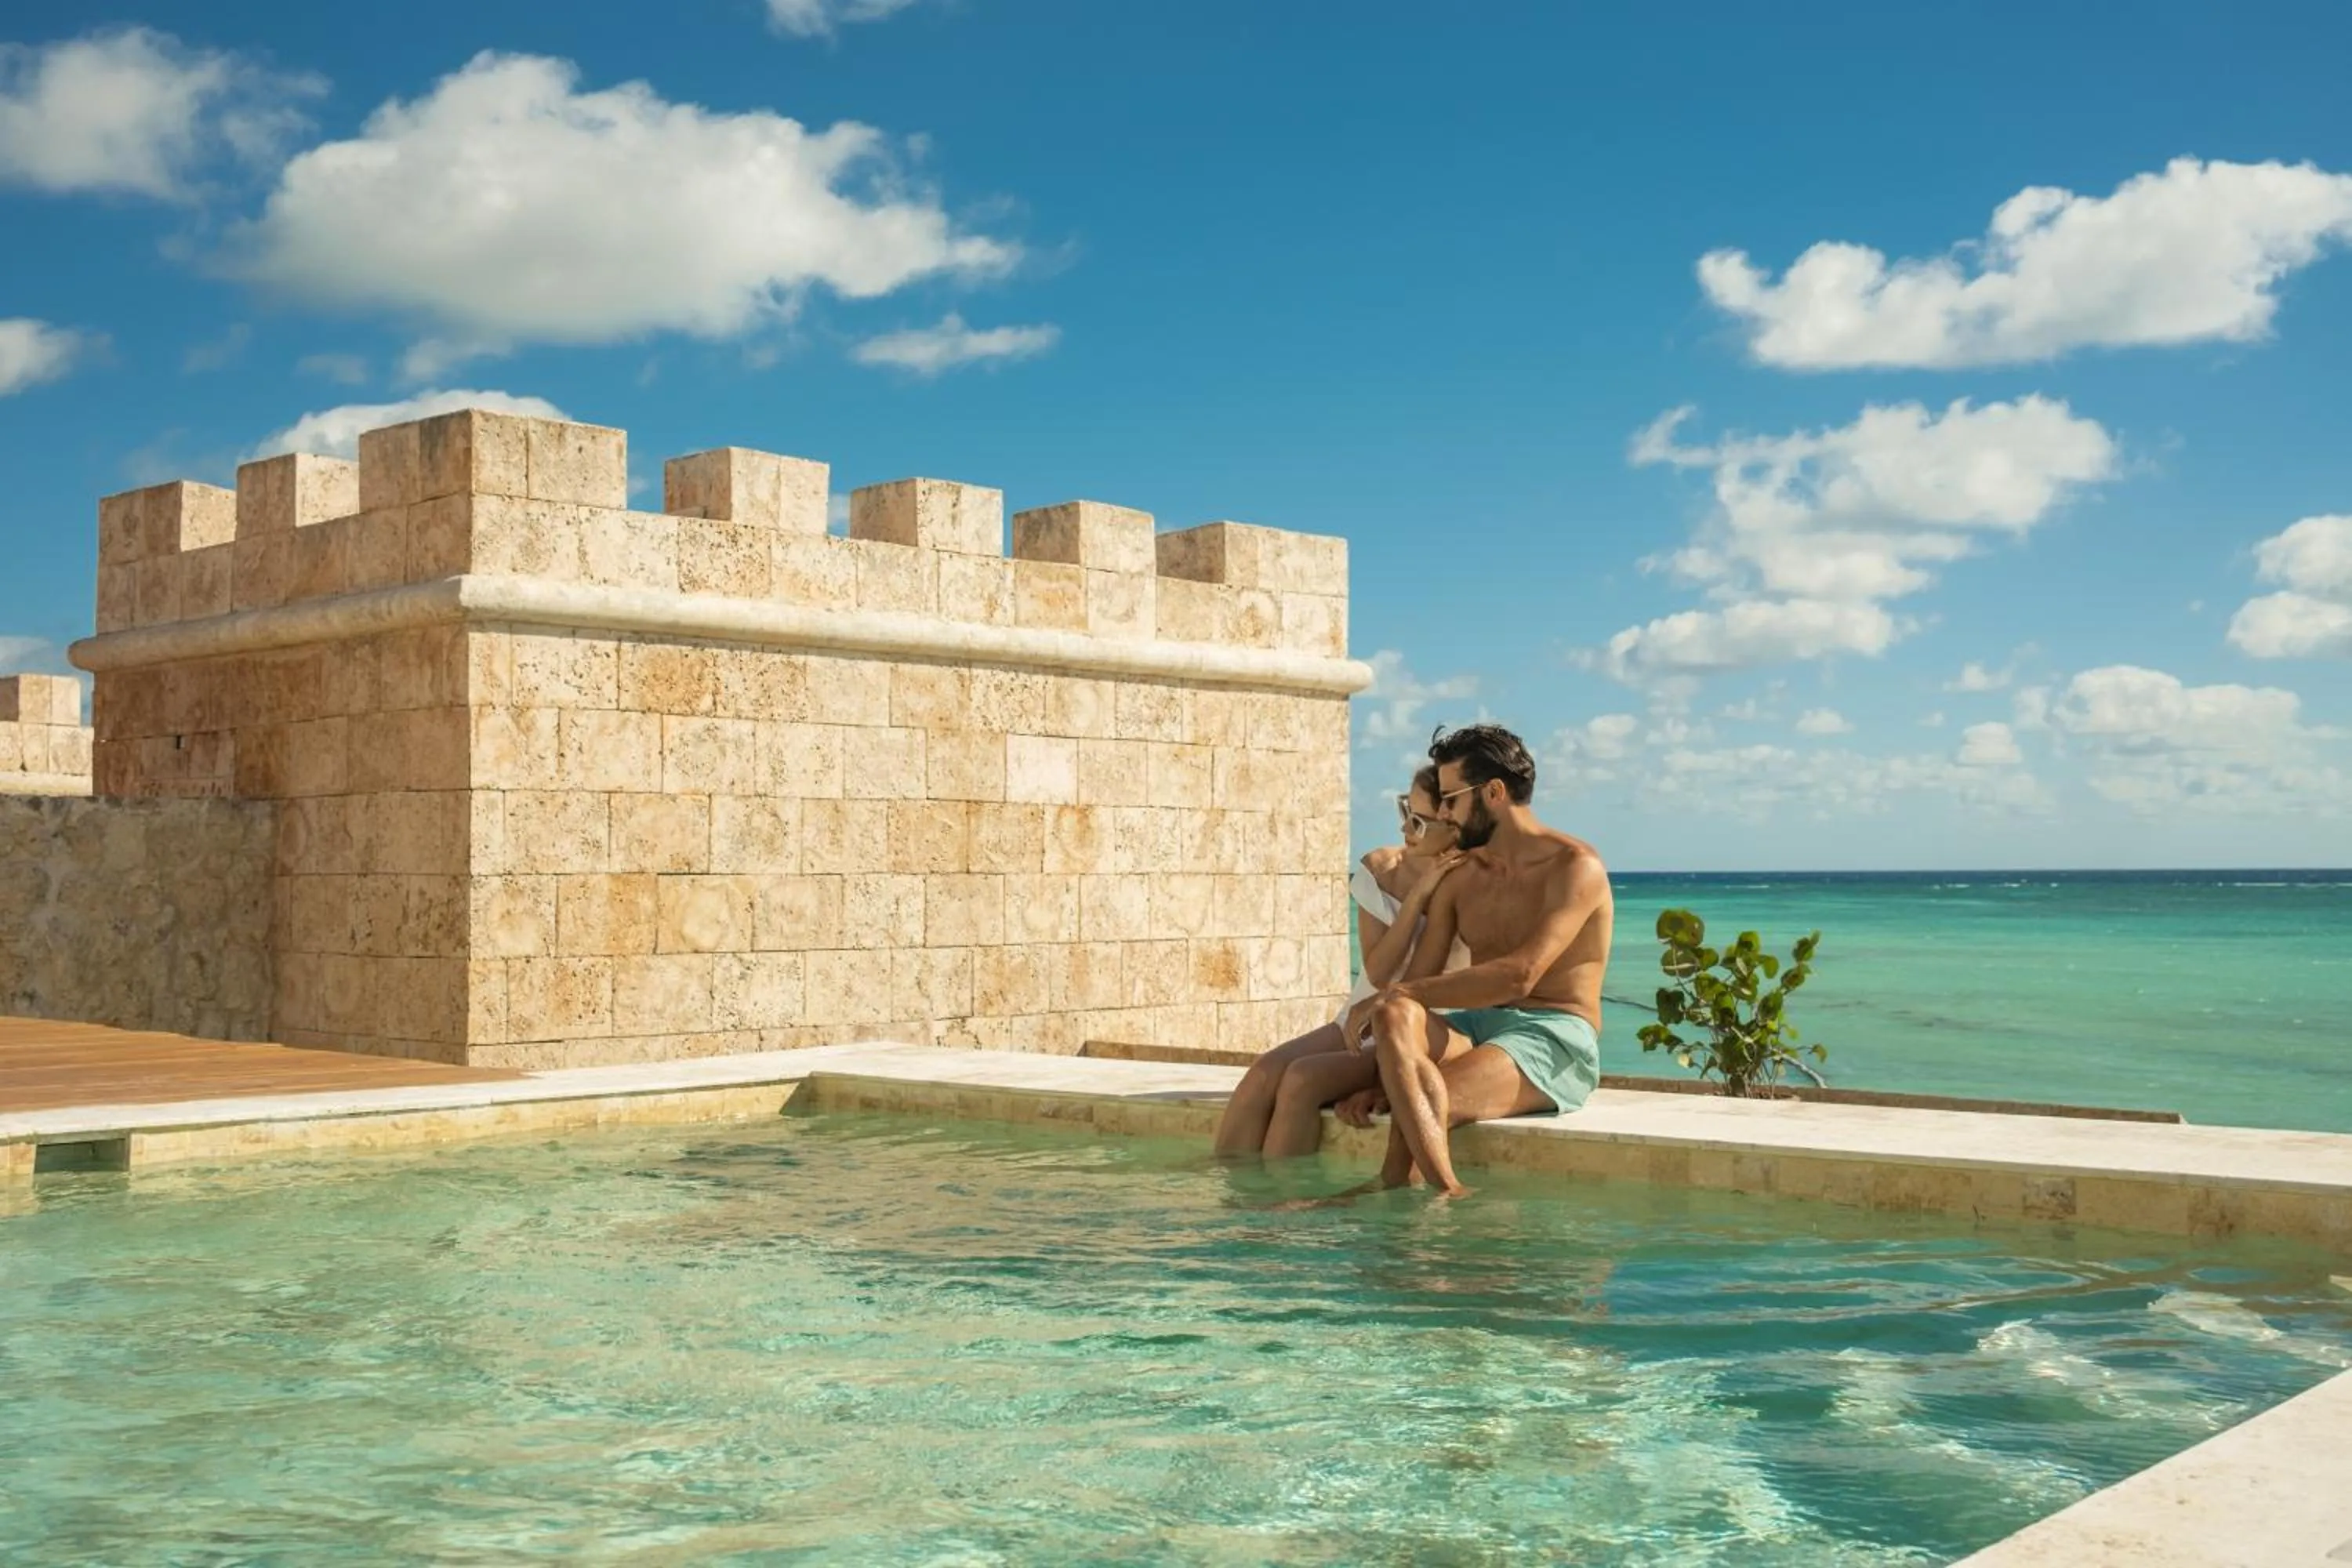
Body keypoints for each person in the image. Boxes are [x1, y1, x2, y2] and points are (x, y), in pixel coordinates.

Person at [1339, 724, 1613, 1199]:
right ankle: (1438, 1190)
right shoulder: (1463, 876)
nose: (1442, 814)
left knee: (1421, 1094)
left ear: (1493, 792)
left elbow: (1519, 975)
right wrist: (1394, 1025)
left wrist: (1399, 1066)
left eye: (1451, 800)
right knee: (1394, 1012)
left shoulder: (1574, 867)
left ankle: (1419, 1190)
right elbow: (1419, 981)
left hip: (1554, 1034)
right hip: (1479, 1027)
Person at [1210, 767, 1472, 1160]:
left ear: (1453, 827)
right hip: (1357, 1018)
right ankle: (1228, 1195)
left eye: (1418, 821)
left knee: (1302, 1078)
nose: (1405, 829)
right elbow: (1378, 971)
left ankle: (1280, 1209)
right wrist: (1416, 898)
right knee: (1264, 1072)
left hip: (1420, 1029)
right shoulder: (1382, 869)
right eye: (1404, 811)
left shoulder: (1476, 884)